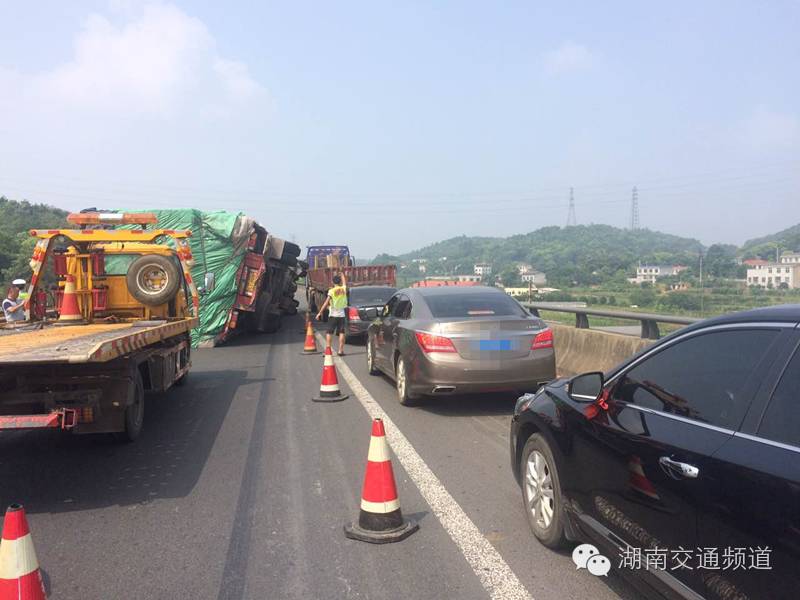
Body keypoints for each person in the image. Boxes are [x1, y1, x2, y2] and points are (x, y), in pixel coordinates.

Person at [316, 271, 348, 355]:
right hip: (341, 315)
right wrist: (342, 275)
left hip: (333, 314)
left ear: (333, 282)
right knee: (341, 332)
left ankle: (328, 350)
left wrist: (319, 313)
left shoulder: (331, 291)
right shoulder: (343, 289)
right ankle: (340, 350)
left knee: (329, 332)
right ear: (340, 282)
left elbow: (326, 303)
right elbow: (344, 283)